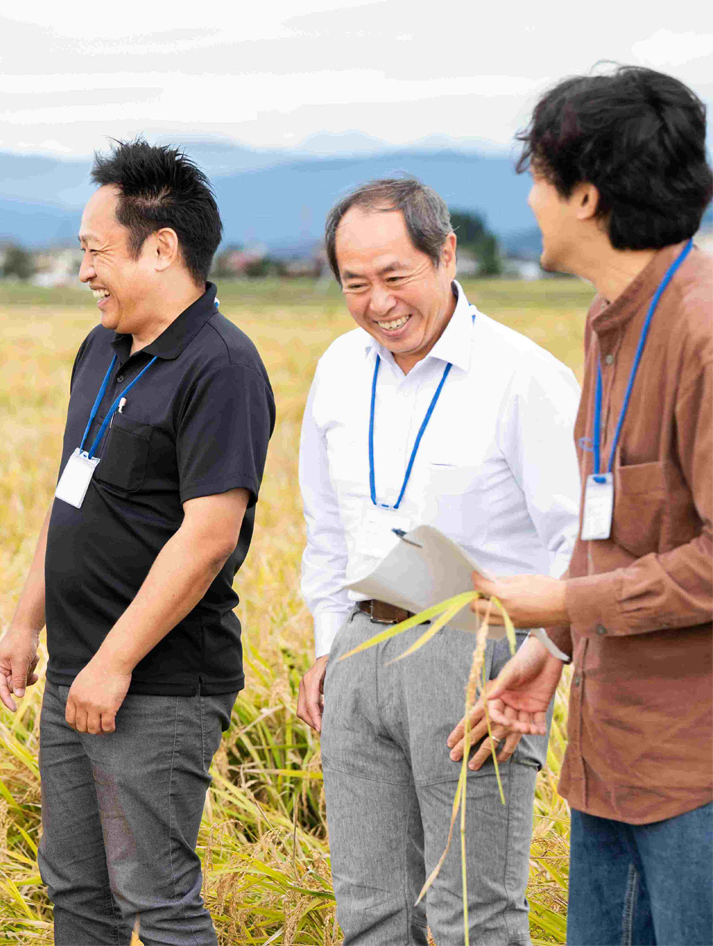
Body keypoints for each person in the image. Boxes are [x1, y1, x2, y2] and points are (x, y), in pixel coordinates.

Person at [0, 139, 275, 946]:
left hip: (156, 688)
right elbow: (68, 493)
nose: (84, 271)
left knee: (157, 897)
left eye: (94, 251)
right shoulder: (104, 350)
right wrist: (24, 624)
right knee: (77, 891)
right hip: (76, 674)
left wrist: (114, 664)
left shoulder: (221, 365)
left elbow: (209, 535)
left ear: (161, 249)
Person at [295, 178, 580, 944]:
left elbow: (580, 546)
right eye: (356, 284)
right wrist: (328, 646)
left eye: (396, 277)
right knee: (370, 912)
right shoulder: (339, 370)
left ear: (446, 254)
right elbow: (326, 525)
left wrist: (545, 655)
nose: (379, 302)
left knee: (470, 916)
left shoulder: (526, 379)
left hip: (477, 654)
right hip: (362, 643)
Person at [476, 65, 713, 945]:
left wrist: (564, 602)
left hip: (695, 769)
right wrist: (554, 645)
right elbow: (619, 525)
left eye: (538, 178)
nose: (530, 201)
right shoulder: (608, 320)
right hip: (611, 750)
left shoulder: (702, 333)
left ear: (584, 195)